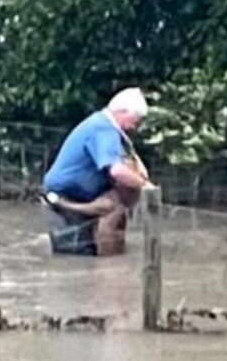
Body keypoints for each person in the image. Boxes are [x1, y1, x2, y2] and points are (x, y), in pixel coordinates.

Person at [40, 88, 151, 256]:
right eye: (136, 118)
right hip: (64, 199)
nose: (136, 124)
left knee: (88, 256)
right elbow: (117, 170)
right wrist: (146, 186)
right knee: (75, 260)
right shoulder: (103, 129)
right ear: (121, 112)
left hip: (80, 197)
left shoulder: (105, 126)